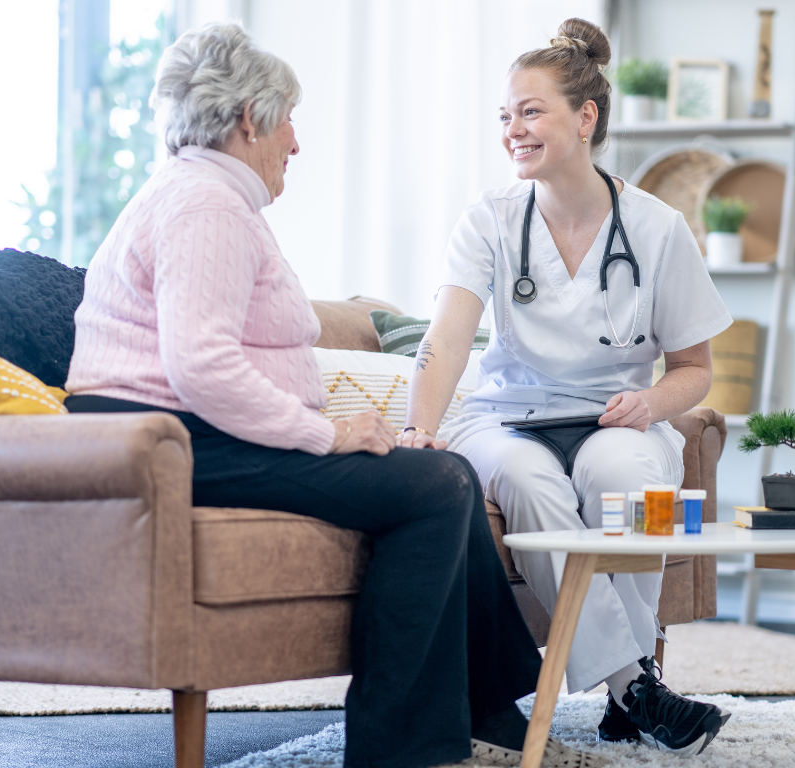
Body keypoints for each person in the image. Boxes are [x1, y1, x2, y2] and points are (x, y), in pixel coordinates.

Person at [62, 22, 611, 768]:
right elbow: (201, 367)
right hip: (172, 439)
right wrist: (324, 434)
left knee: (439, 473)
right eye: (288, 118)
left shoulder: (205, 196)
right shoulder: (206, 206)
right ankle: (402, 742)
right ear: (249, 120)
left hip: (183, 434)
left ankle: (480, 705)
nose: (296, 141)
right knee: (436, 483)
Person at [397, 18, 734, 757]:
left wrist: (651, 404)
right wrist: (419, 429)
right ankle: (633, 689)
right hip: (508, 420)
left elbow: (695, 368)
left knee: (631, 474)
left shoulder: (657, 228)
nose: (513, 130)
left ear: (585, 118)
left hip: (616, 420)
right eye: (505, 116)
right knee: (527, 483)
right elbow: (447, 337)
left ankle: (628, 691)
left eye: (530, 111)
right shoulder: (488, 220)